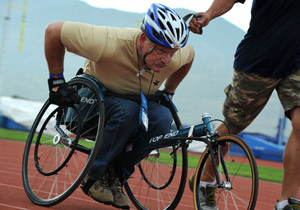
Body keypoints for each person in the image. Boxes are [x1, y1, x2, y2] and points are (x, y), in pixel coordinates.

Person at [44, 3, 195, 210]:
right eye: (161, 51)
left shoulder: (176, 56)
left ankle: (116, 175)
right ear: (143, 40)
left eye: (172, 52)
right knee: (128, 111)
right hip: (92, 104)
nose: (167, 60)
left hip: (135, 105)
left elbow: (189, 57)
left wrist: (169, 91)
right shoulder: (109, 41)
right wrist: (56, 82)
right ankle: (94, 176)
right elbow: (53, 31)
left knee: (163, 117)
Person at [188, 0, 300, 210]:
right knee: (233, 125)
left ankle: (287, 202)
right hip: (259, 61)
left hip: (296, 63)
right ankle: (204, 182)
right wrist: (209, 14)